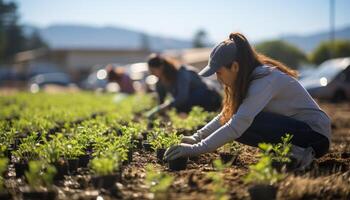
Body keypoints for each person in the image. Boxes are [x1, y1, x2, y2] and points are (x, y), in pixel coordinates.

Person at [164, 32, 332, 171]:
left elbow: (236, 124)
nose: (217, 77)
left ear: (235, 67)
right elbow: (226, 115)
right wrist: (195, 138)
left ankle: (301, 155)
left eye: (219, 72)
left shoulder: (265, 79)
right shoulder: (248, 78)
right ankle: (288, 153)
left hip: (314, 135)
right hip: (295, 129)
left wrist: (196, 149)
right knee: (238, 119)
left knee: (243, 123)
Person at [145, 54, 222, 118]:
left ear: (161, 67)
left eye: (153, 71)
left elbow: (182, 97)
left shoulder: (182, 73)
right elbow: (161, 103)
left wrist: (167, 106)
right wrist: (158, 112)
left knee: (180, 106)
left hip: (210, 97)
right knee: (179, 107)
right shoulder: (160, 83)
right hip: (193, 102)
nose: (152, 73)